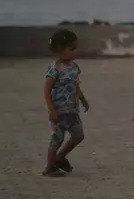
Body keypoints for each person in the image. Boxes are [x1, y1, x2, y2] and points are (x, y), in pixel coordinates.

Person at [43, 29, 90, 177]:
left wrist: (82, 98)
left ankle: (60, 156)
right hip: (59, 111)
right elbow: (46, 90)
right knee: (57, 138)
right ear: (59, 49)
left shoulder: (74, 67)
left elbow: (75, 85)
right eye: (71, 49)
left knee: (78, 135)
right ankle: (49, 166)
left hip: (72, 110)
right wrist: (51, 109)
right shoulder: (54, 69)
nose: (74, 52)